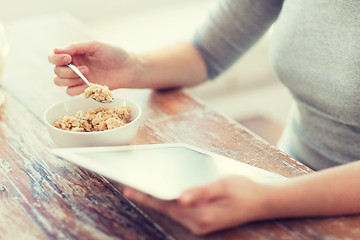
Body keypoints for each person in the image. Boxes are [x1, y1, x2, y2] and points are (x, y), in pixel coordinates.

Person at [48, 0, 360, 235]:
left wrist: (268, 199)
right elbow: (206, 51)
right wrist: (134, 67)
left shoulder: (272, 197)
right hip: (286, 170)